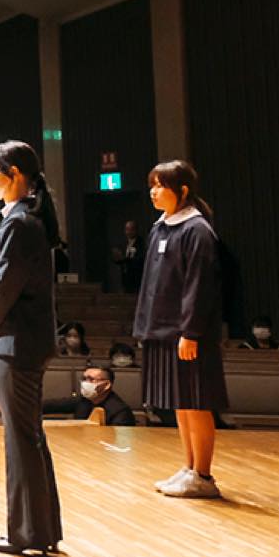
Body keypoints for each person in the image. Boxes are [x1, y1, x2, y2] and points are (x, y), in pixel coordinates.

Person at [0, 139, 63, 557]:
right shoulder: (27, 219)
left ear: (13, 174)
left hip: (17, 340)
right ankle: (41, 529)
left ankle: (28, 533)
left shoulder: (20, 223)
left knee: (21, 438)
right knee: (29, 436)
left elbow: (3, 287)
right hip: (27, 339)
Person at [132, 159, 230, 500]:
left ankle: (203, 474)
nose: (154, 192)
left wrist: (190, 331)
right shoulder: (160, 228)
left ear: (183, 190)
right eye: (152, 186)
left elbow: (199, 286)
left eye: (160, 185)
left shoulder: (197, 230)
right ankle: (188, 467)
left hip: (187, 333)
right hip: (161, 330)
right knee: (180, 402)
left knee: (197, 401)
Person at [43, 365, 136, 426]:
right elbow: (53, 405)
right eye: (84, 379)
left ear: (107, 385)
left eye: (91, 379)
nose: (85, 383)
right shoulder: (84, 400)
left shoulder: (120, 411)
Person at [110, 221, 144, 294]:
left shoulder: (141, 243)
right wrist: (116, 257)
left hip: (136, 278)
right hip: (124, 278)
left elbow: (141, 259)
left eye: (131, 229)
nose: (129, 232)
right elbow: (118, 259)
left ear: (136, 230)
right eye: (127, 229)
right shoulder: (123, 243)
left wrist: (125, 259)